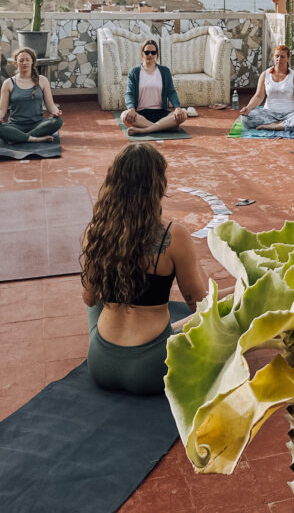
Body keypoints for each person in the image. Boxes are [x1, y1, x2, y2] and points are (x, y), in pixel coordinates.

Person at [80, 144, 210, 394]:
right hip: (153, 369)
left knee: (97, 291)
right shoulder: (175, 236)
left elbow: (89, 298)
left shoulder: (95, 231)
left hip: (100, 365)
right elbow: (199, 307)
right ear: (157, 186)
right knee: (210, 312)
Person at [0, 47, 62, 143]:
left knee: (57, 121)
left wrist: (56, 112)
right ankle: (34, 138)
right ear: (16, 63)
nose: (24, 63)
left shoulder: (42, 80)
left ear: (32, 61)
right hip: (16, 125)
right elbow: (1, 110)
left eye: (27, 60)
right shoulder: (8, 83)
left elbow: (50, 105)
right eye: (21, 60)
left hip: (38, 124)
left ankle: (19, 138)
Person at [121, 41, 188, 135]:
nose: (150, 55)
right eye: (147, 52)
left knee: (183, 114)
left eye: (153, 52)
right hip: (141, 114)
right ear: (142, 53)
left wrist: (177, 107)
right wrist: (131, 108)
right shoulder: (134, 72)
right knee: (124, 115)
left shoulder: (165, 71)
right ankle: (165, 127)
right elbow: (129, 93)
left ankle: (144, 130)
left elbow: (171, 92)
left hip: (161, 113)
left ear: (157, 54)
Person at [240, 44, 294, 133]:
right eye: (277, 56)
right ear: (273, 57)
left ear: (288, 58)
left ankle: (277, 126)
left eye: (282, 57)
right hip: (269, 114)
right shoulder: (265, 75)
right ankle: (282, 124)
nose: (279, 59)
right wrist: (248, 108)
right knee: (245, 119)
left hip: (290, 113)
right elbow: (258, 96)